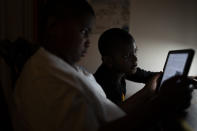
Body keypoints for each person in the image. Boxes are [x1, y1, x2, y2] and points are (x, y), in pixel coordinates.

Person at [13, 0, 193, 131]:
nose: (88, 42)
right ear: (53, 26)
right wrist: (161, 103)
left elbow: (112, 110)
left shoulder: (63, 67)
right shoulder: (49, 81)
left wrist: (158, 89)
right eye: (84, 32)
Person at [94, 28, 158, 105]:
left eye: (135, 51)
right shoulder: (102, 87)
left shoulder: (121, 70)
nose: (135, 59)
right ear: (109, 61)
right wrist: (146, 91)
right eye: (126, 56)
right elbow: (117, 113)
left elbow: (147, 76)